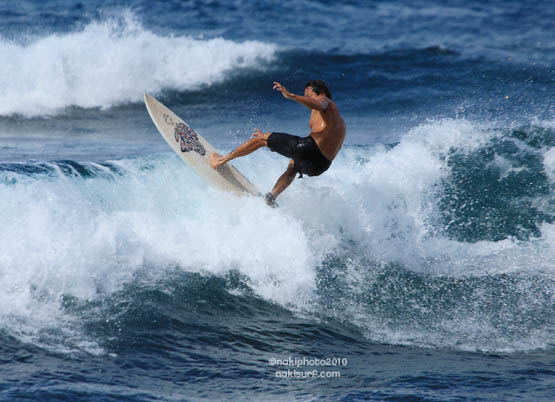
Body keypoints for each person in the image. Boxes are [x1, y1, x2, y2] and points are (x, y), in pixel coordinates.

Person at [210, 80, 346, 206]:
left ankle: (221, 160)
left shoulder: (325, 101)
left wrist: (291, 95)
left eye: (308, 96)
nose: (306, 99)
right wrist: (273, 143)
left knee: (263, 139)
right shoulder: (339, 123)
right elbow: (306, 149)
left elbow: (319, 104)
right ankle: (271, 197)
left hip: (310, 149)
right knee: (294, 164)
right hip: (320, 166)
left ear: (322, 93)